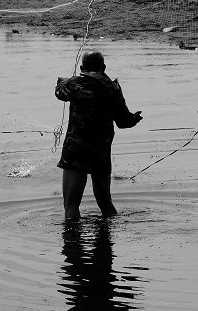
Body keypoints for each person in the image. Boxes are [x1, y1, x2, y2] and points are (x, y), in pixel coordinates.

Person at [55, 50, 142, 221]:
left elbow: (59, 93)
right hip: (101, 151)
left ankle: (72, 244)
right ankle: (106, 243)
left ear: (81, 67)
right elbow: (124, 122)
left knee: (71, 206)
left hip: (76, 150)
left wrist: (61, 82)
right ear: (104, 67)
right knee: (105, 203)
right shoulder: (113, 87)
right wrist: (135, 118)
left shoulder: (74, 84)